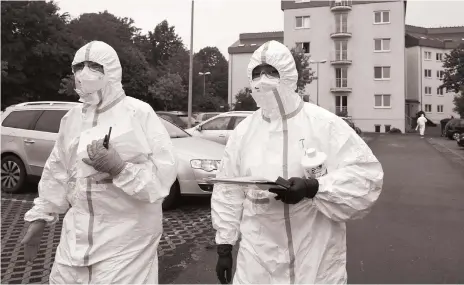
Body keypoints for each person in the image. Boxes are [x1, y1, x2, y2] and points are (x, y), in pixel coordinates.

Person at [211, 40, 384, 284]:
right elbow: (228, 192)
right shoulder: (244, 133)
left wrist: (313, 188)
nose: (263, 80)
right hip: (258, 259)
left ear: (289, 76)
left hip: (316, 255)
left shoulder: (324, 125)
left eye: (271, 72)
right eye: (257, 73)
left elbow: (367, 178)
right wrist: (225, 246)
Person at [20, 41, 177, 284]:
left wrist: (120, 169)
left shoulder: (139, 113)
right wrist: (41, 216)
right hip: (76, 237)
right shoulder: (72, 119)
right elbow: (57, 171)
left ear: (112, 71)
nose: (84, 73)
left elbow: (161, 181)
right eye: (78, 66)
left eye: (94, 66)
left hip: (127, 239)